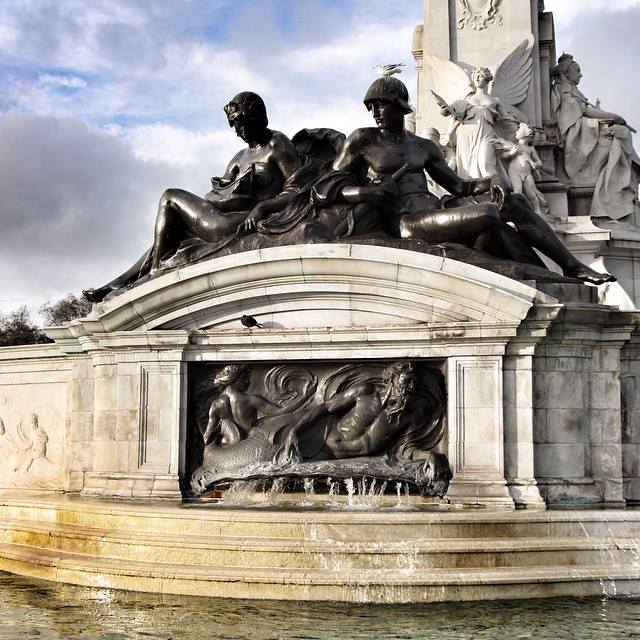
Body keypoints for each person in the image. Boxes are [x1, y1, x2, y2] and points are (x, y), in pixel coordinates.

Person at [320, 76, 613, 285]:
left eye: (381, 105)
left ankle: (571, 266)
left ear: (400, 105)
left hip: (434, 212)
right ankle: (544, 272)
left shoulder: (423, 146)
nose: (375, 113)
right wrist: (365, 193)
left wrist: (494, 177)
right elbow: (326, 189)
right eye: (371, 107)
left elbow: (461, 187)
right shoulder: (362, 139)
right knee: (487, 213)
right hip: (405, 223)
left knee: (513, 201)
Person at [84, 92, 303, 302]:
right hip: (221, 212)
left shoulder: (277, 144)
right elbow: (214, 194)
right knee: (172, 232)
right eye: (234, 126)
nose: (237, 131)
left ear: (256, 118)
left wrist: (262, 207)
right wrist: (231, 192)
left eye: (240, 124)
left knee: (169, 198)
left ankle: (155, 272)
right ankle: (121, 281)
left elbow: (296, 189)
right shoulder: (240, 157)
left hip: (238, 221)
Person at [280, 362, 450, 482]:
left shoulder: (410, 415)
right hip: (316, 446)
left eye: (414, 382)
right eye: (406, 380)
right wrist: (294, 431)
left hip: (352, 461)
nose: (411, 386)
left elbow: (405, 449)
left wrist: (429, 455)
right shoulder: (365, 392)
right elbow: (326, 408)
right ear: (391, 380)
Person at [551, 53, 640, 222]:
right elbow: (583, 114)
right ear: (566, 73)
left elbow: (584, 112)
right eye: (577, 70)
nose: (581, 74)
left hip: (583, 130)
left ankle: (618, 191)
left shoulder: (571, 90)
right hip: (575, 135)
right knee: (620, 134)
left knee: (621, 134)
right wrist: (614, 117)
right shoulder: (564, 90)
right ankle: (615, 193)